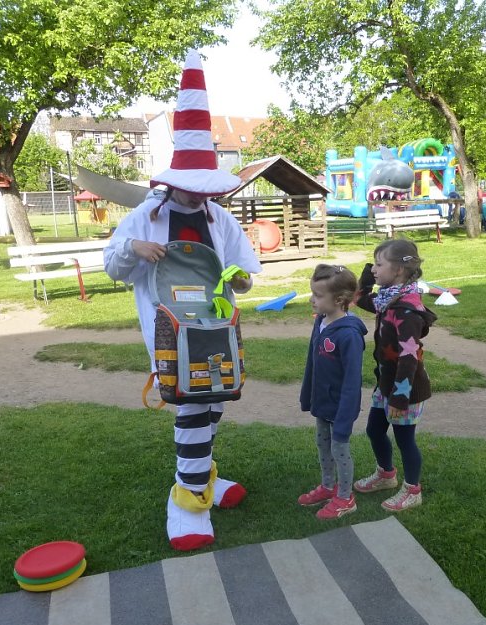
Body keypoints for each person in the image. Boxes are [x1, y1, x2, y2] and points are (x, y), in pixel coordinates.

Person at [104, 50, 262, 552]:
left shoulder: (220, 218)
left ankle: (205, 477)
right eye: (192, 190)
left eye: (204, 190)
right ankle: (188, 502)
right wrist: (134, 248)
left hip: (217, 328)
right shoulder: (146, 217)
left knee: (214, 400)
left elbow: (244, 273)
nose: (198, 197)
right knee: (192, 405)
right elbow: (113, 265)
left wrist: (239, 281)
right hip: (169, 330)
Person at [354, 239, 436, 512]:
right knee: (374, 430)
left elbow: (409, 358)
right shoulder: (387, 300)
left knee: (404, 440)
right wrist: (369, 273)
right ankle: (386, 474)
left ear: (399, 270)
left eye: (379, 265)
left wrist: (400, 398)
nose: (374, 269)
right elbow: (359, 298)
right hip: (387, 384)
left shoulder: (406, 310)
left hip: (405, 389)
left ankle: (413, 490)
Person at [298, 264, 367, 520]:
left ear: (338, 300)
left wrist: (345, 417)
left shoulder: (349, 335)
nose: (311, 299)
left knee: (340, 449)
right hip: (322, 402)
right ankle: (328, 487)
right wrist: (308, 395)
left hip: (340, 408)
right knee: (323, 446)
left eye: (317, 295)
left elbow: (352, 381)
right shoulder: (321, 322)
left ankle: (345, 497)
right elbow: (312, 362)